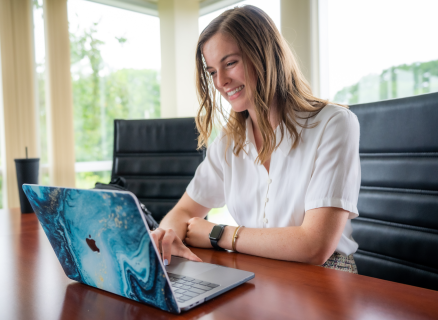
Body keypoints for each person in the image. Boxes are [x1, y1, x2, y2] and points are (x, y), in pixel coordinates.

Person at [151, 5, 360, 273]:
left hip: (326, 276)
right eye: (213, 71)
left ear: (266, 56)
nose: (221, 82)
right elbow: (182, 212)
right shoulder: (228, 142)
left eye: (230, 63)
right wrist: (165, 235)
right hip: (258, 271)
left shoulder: (333, 123)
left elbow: (314, 246)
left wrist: (217, 234)